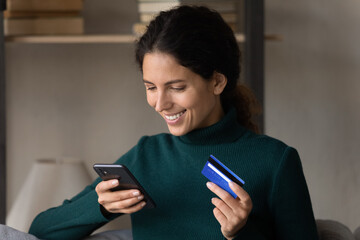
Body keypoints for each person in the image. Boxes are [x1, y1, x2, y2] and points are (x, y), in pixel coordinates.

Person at [28, 5, 319, 240]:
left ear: (217, 81)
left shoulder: (275, 161)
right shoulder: (146, 157)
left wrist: (240, 234)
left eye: (177, 88)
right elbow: (40, 230)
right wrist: (99, 206)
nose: (160, 103)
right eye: (151, 87)